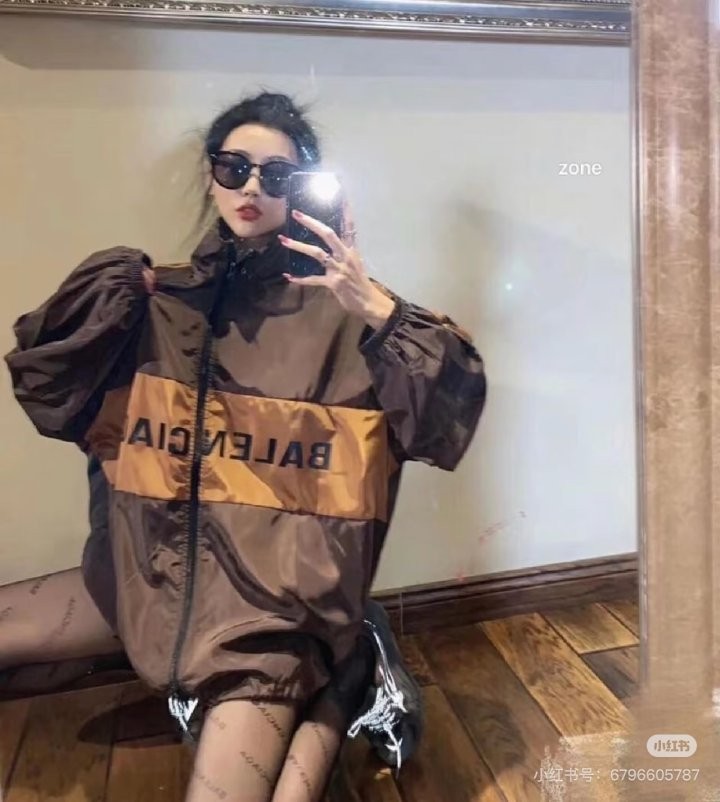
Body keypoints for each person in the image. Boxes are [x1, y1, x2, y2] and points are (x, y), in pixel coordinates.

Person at [4, 91, 487, 801]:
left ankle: (346, 666)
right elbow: (44, 383)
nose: (252, 187)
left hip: (270, 624)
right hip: (143, 584)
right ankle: (345, 658)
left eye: (277, 174)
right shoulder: (154, 307)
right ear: (211, 178)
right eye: (234, 168)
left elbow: (446, 420)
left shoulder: (349, 319)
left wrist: (376, 309)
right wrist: (114, 291)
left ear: (304, 189)